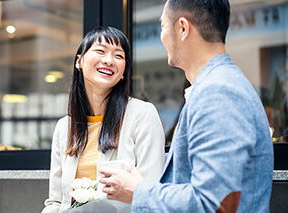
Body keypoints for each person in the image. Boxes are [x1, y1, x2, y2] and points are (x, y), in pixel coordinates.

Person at [99, 1, 274, 212]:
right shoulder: (216, 86)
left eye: (162, 26)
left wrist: (139, 191)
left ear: (182, 28)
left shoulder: (218, 92)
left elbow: (211, 203)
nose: (161, 36)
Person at [41, 26, 165, 213]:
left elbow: (150, 192)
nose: (108, 60)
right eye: (100, 51)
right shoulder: (64, 127)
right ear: (79, 61)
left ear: (123, 71)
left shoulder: (142, 114)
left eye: (119, 56)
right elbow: (56, 203)